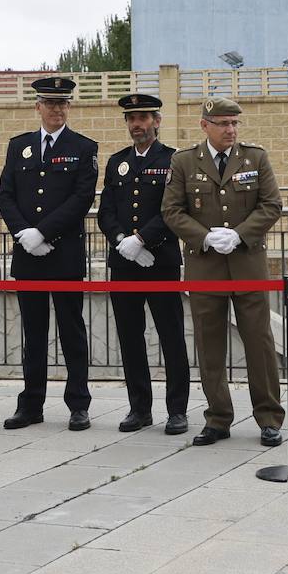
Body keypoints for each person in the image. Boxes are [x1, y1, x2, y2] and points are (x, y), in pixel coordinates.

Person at [162, 97, 285, 447]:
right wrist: (205, 237)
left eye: (234, 123)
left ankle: (269, 417)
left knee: (259, 345)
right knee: (210, 345)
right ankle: (217, 418)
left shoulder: (255, 157)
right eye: (223, 124)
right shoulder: (184, 161)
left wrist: (239, 234)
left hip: (247, 266)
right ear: (205, 126)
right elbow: (171, 210)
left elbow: (271, 204)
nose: (231, 130)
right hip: (205, 268)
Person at [0, 77, 98, 431]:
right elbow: (5, 194)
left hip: (63, 254)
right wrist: (24, 234)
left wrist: (44, 232)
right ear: (37, 107)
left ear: (69, 108)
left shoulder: (83, 147)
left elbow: (82, 198)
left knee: (72, 332)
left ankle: (78, 404)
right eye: (50, 104)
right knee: (33, 333)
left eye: (62, 104)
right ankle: (31, 404)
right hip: (28, 255)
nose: (56, 110)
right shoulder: (19, 146)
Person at [96, 93, 190, 436]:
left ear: (157, 122)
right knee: (130, 337)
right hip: (124, 263)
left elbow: (174, 208)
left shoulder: (173, 160)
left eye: (144, 118)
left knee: (171, 337)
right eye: (132, 119)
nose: (137, 125)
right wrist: (123, 242)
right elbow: (105, 210)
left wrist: (144, 241)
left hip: (161, 261)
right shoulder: (116, 161)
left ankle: (177, 410)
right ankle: (139, 408)